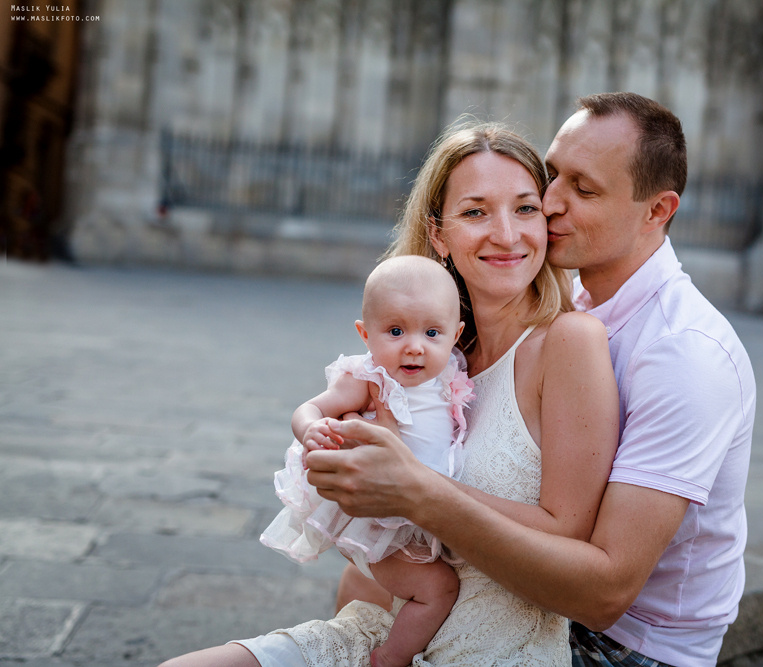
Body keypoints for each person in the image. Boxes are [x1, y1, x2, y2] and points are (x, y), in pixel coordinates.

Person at [308, 92, 757, 667]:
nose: (548, 204)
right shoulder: (551, 300)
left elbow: (604, 595)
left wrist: (415, 488)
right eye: (552, 176)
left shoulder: (685, 356)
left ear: (657, 210)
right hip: (503, 596)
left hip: (621, 646)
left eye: (584, 189)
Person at [159, 122, 620, 667]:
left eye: (525, 209)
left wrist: (411, 486)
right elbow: (372, 532)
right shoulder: (422, 354)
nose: (506, 233)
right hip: (386, 630)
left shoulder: (569, 340)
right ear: (439, 234)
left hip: (497, 650)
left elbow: (568, 538)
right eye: (475, 212)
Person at [258, 255, 474, 667]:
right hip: (380, 526)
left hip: (425, 513)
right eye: (395, 331)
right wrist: (310, 430)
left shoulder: (449, 377)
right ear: (365, 333)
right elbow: (309, 407)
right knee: (437, 589)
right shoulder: (372, 379)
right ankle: (389, 658)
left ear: (455, 334)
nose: (414, 345)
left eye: (432, 332)